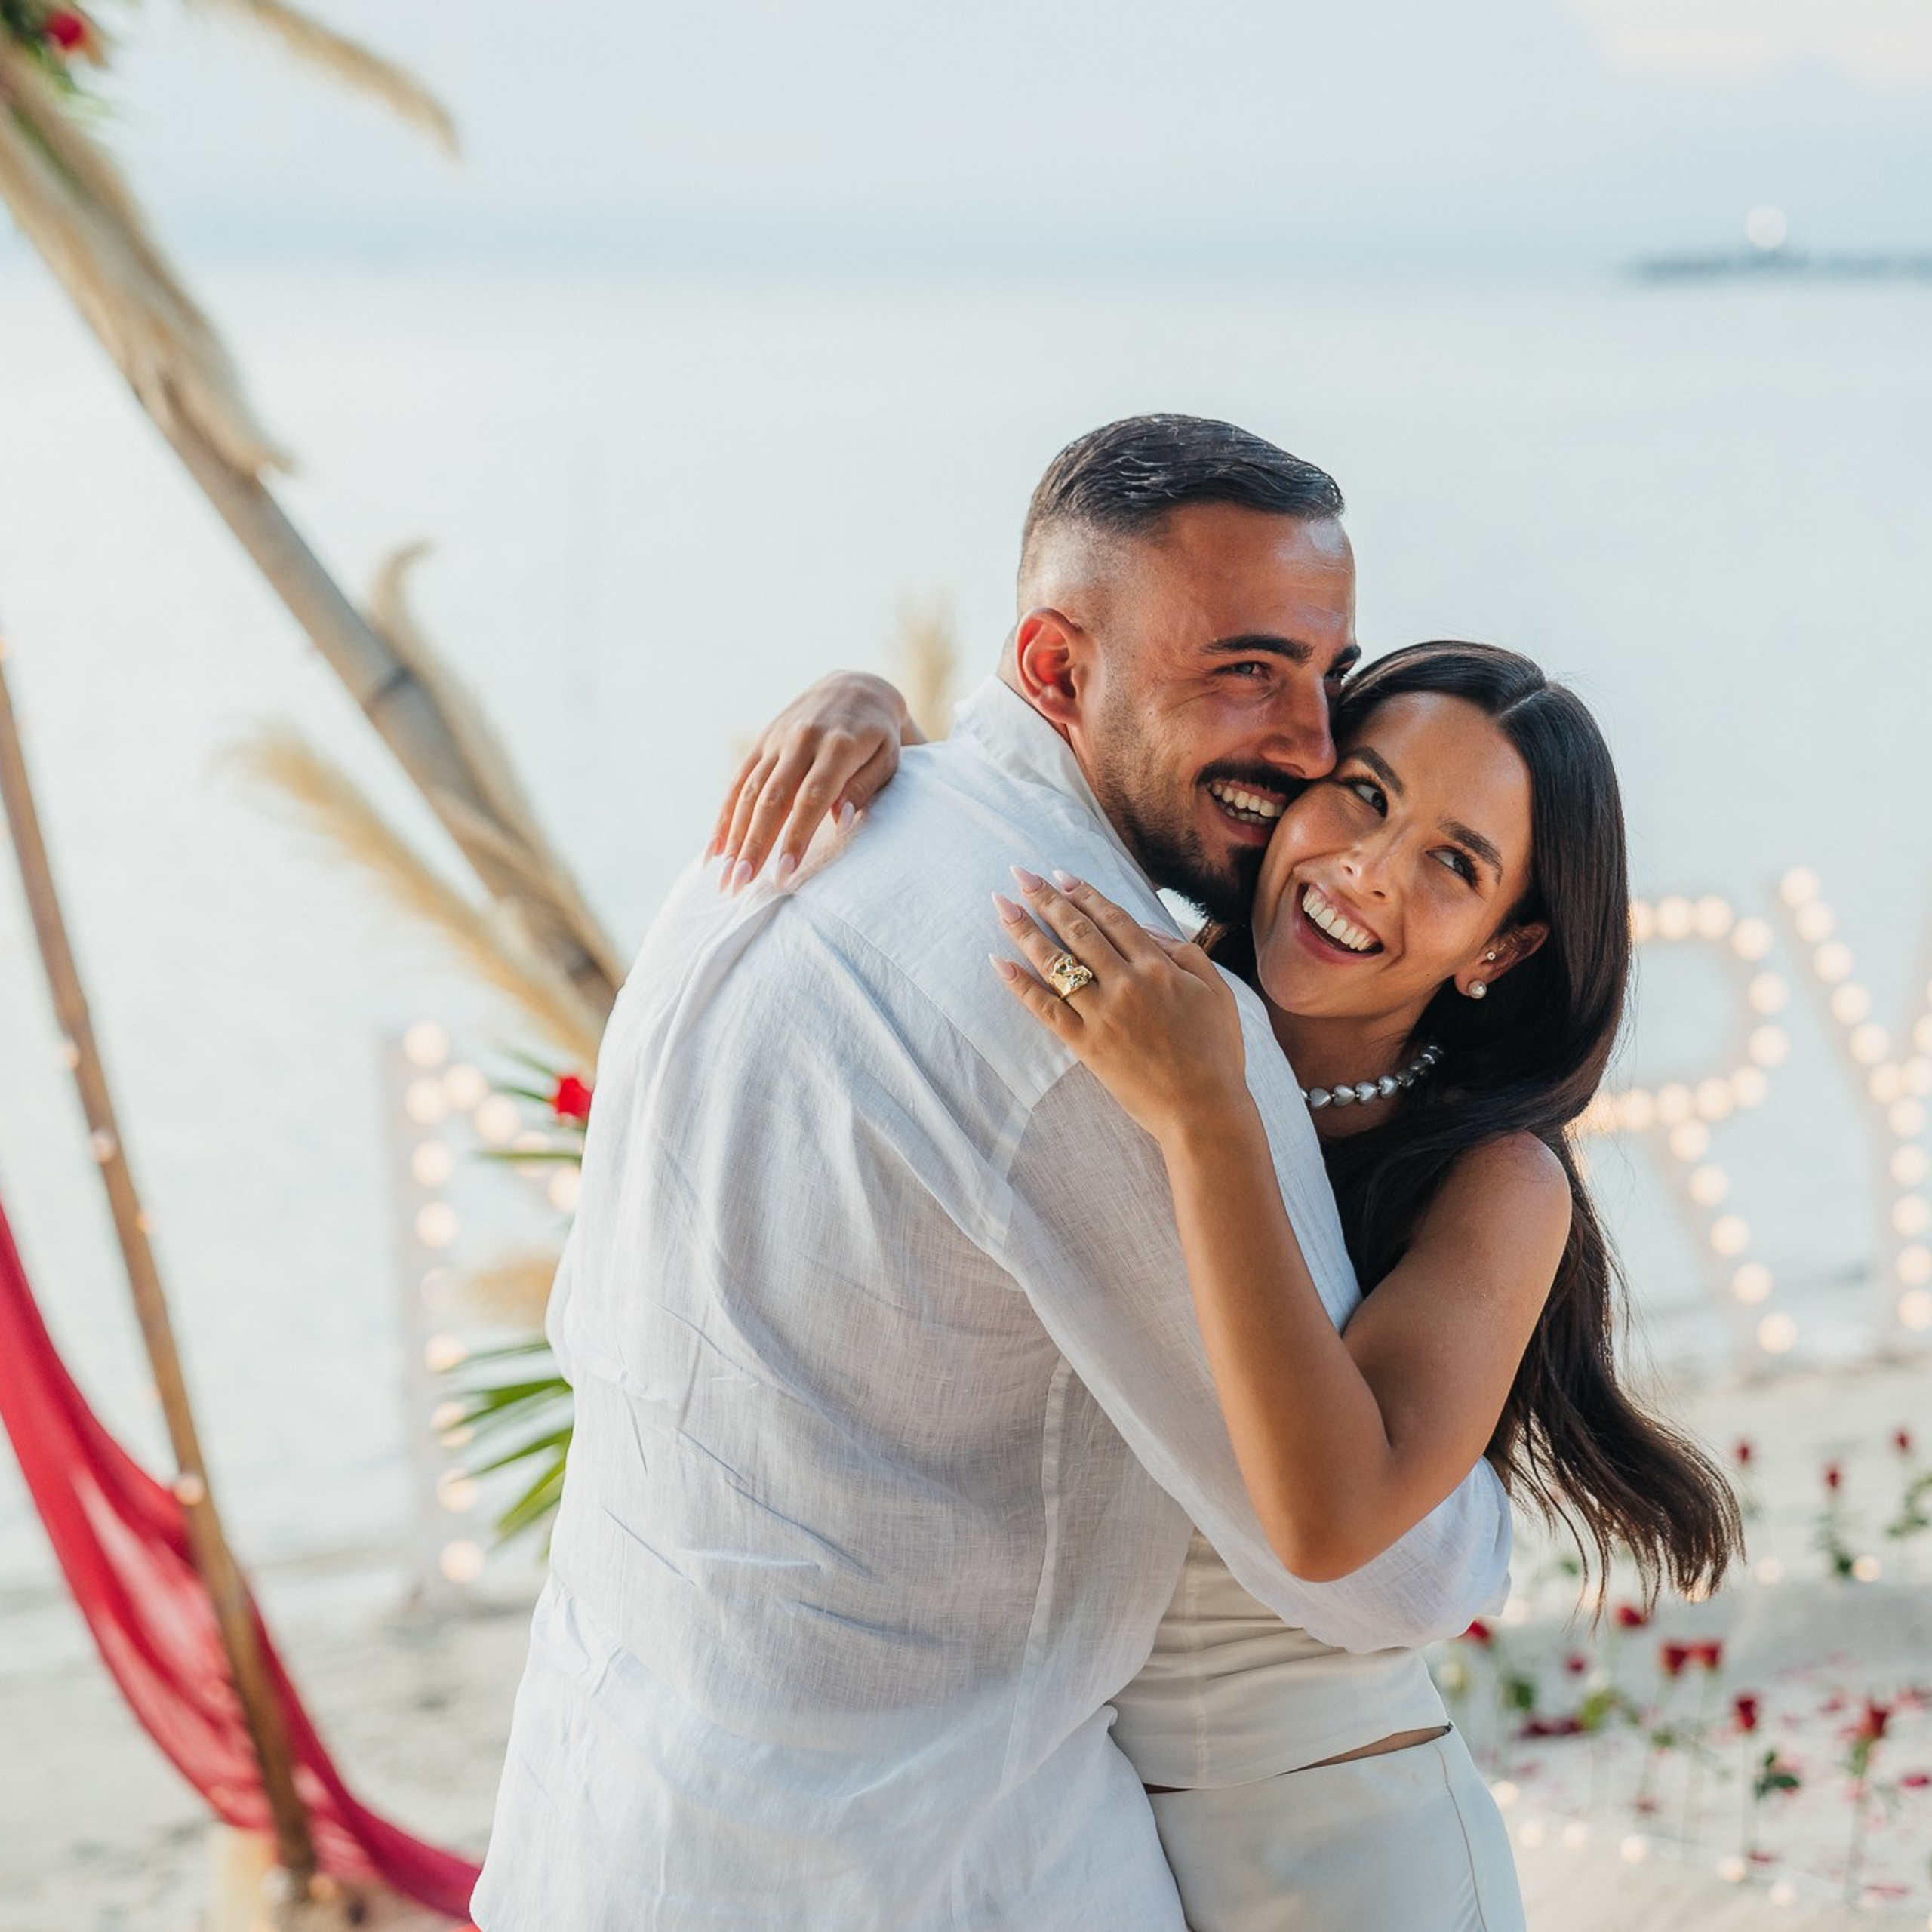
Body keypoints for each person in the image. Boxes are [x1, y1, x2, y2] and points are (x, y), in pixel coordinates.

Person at [470, 415, 1516, 1932]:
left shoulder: (778, 837)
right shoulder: (1111, 1006)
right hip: (916, 1865)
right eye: (1243, 669)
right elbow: (1382, 1574)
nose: (1306, 743)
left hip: (599, 1822)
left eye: (1323, 674)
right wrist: (1477, 1478)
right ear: (1055, 666)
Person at [724, 638, 1743, 1928]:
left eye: (1455, 864)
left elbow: (1328, 1522)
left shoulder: (1495, 1184)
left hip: (1354, 1860)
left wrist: (1209, 1117)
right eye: (1364, 794)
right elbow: (988, 849)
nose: (1369, 870)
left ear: (1502, 947)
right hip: (1086, 1843)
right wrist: (873, 708)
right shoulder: (1140, 989)